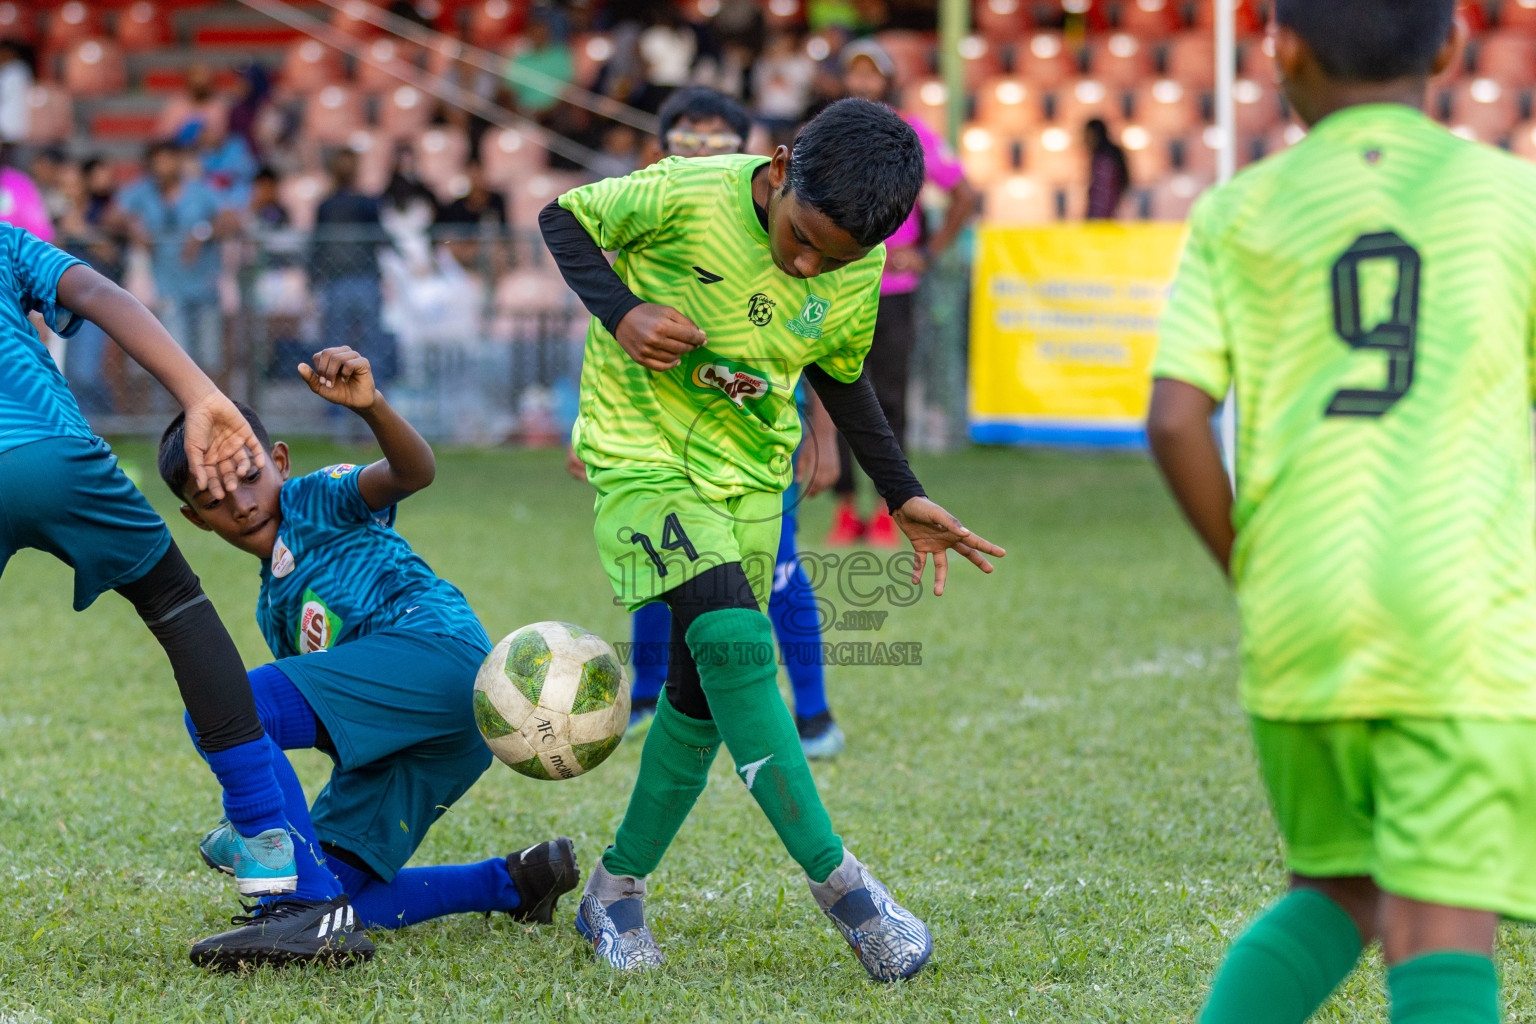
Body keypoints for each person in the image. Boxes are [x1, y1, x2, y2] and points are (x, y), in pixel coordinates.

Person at [539, 97, 1004, 979]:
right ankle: (849, 892)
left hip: (751, 479)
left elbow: (843, 377)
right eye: (800, 238)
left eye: (833, 258)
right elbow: (561, 217)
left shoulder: (853, 271)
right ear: (782, 165)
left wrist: (901, 492)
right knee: (735, 640)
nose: (805, 263)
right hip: (640, 457)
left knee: (702, 697)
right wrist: (622, 311)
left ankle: (614, 891)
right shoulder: (685, 193)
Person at [1147, 3, 1533, 1022]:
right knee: (1444, 917)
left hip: (1302, 604)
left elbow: (1177, 417)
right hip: (1461, 605)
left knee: (1338, 887)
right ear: (1450, 50)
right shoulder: (1511, 198)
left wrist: (1250, 568)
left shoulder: (1241, 208)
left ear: (1284, 51)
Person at [0, 220, 354, 966]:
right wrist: (203, 395)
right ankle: (264, 841)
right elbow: (98, 293)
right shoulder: (5, 241)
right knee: (175, 605)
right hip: (48, 453)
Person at [157, 346, 580, 968]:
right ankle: (516, 882)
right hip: (430, 737)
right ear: (196, 519)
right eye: (216, 497)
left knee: (223, 708)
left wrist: (373, 407)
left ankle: (290, 890)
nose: (242, 502)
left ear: (279, 461)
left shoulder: (315, 498)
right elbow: (338, 711)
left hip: (438, 656)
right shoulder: (271, 611)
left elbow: (413, 473)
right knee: (343, 892)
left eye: (249, 475)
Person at [597, 85, 849, 758]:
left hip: (757, 439)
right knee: (655, 556)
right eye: (688, 139)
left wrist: (820, 435)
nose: (700, 151)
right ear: (661, 149)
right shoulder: (651, 220)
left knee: (777, 571)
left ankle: (815, 715)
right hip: (657, 434)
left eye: (715, 141)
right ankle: (652, 694)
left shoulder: (795, 235)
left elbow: (833, 351)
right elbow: (611, 328)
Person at [829, 39, 978, 547]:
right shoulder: (830, 131)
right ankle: (847, 509)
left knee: (890, 399)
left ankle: (895, 509)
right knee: (837, 398)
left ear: (889, 81)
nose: (864, 82)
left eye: (873, 74)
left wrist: (930, 251)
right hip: (838, 285)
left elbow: (964, 193)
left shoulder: (911, 133)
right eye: (856, 73)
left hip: (894, 288)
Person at [117, 140, 235, 376]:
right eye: (157, 161)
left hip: (204, 285)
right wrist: (132, 226)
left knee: (211, 357)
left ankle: (222, 411)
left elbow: (230, 219)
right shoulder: (142, 192)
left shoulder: (200, 192)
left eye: (167, 160)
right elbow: (113, 215)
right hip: (166, 288)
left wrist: (203, 233)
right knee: (177, 360)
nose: (162, 167)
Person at [309, 149, 392, 380]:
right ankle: (372, 402)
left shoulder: (328, 206)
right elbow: (382, 239)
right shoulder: (366, 203)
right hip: (358, 281)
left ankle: (339, 408)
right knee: (368, 346)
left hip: (343, 282)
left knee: (336, 349)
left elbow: (316, 247)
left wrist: (312, 281)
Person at [1083, 117, 1129, 219]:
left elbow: (1103, 193)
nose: (1085, 139)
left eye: (1088, 135)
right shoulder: (1106, 156)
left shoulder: (1104, 159)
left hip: (1104, 216)